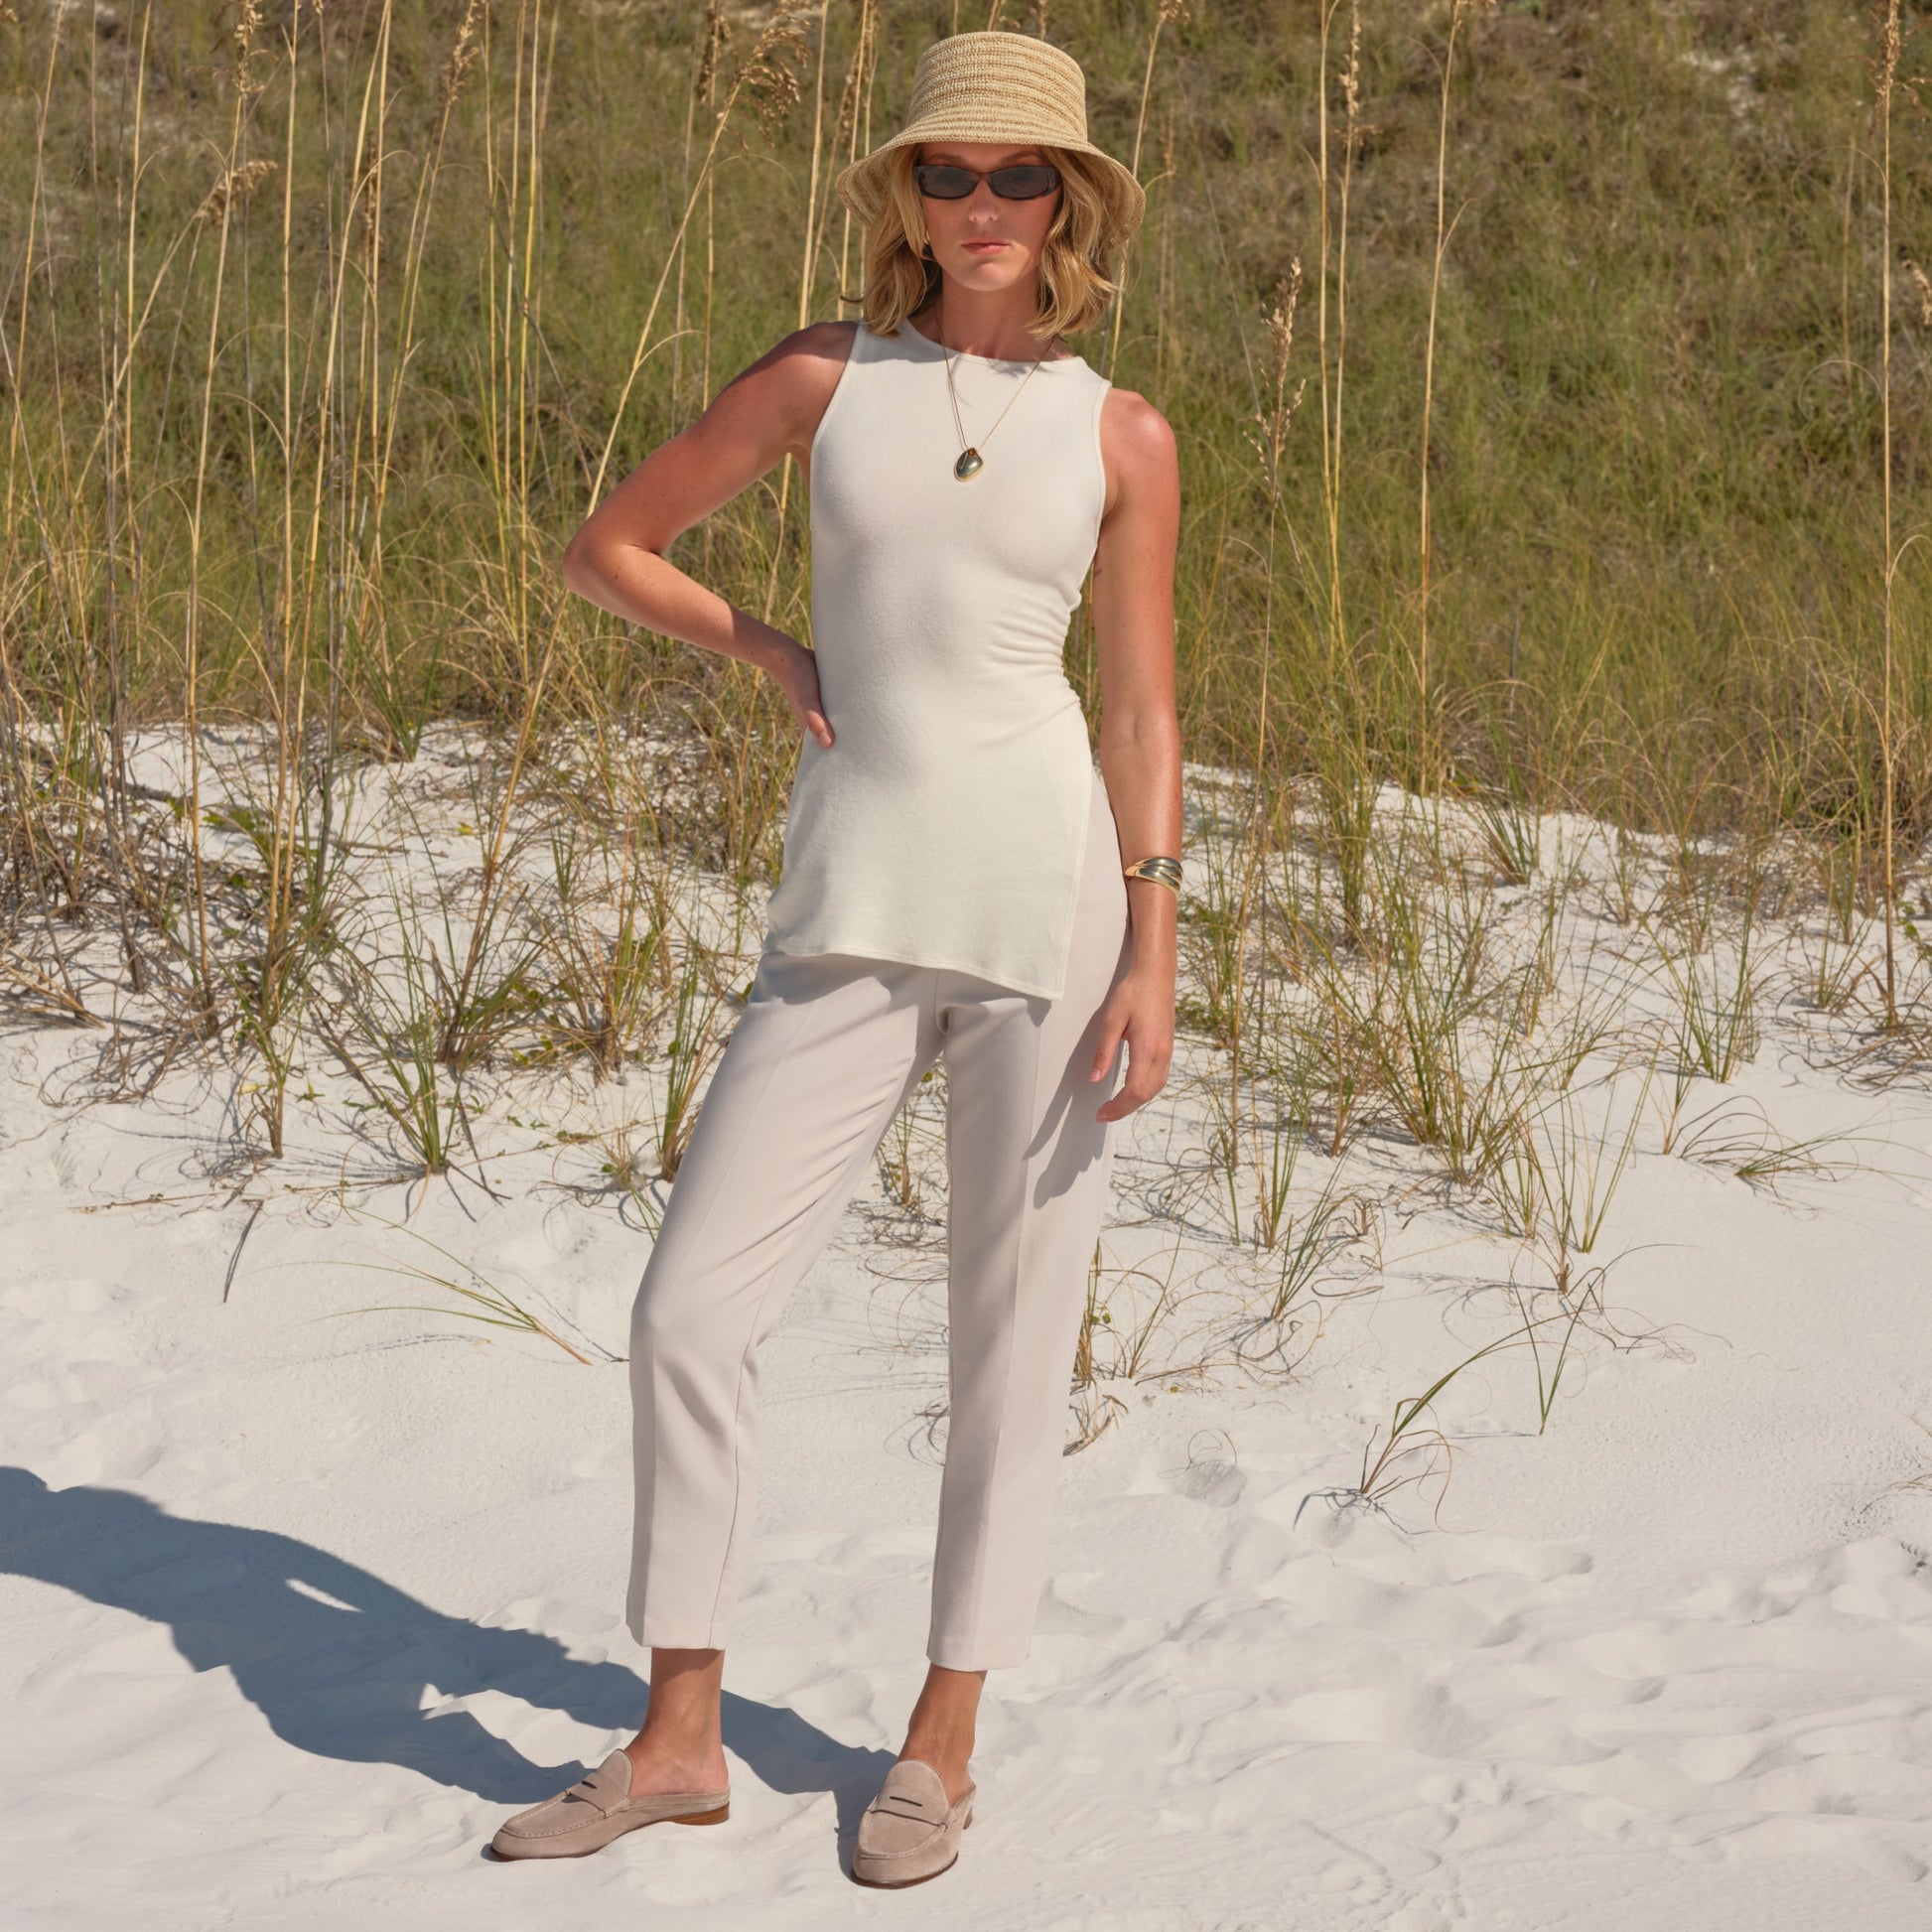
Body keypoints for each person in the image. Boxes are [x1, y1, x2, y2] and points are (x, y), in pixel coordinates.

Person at [489, 29, 1181, 1887]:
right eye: (949, 174)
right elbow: (609, 545)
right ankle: (680, 1735)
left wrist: (1155, 938)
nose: (981, 205)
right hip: (850, 896)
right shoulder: (822, 373)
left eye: (1018, 177)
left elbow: (1136, 703)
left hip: (1046, 905)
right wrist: (770, 649)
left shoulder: (1119, 430)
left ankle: (941, 1741)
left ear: (1069, 205)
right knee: (688, 1307)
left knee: (1009, 1333)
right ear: (909, 196)